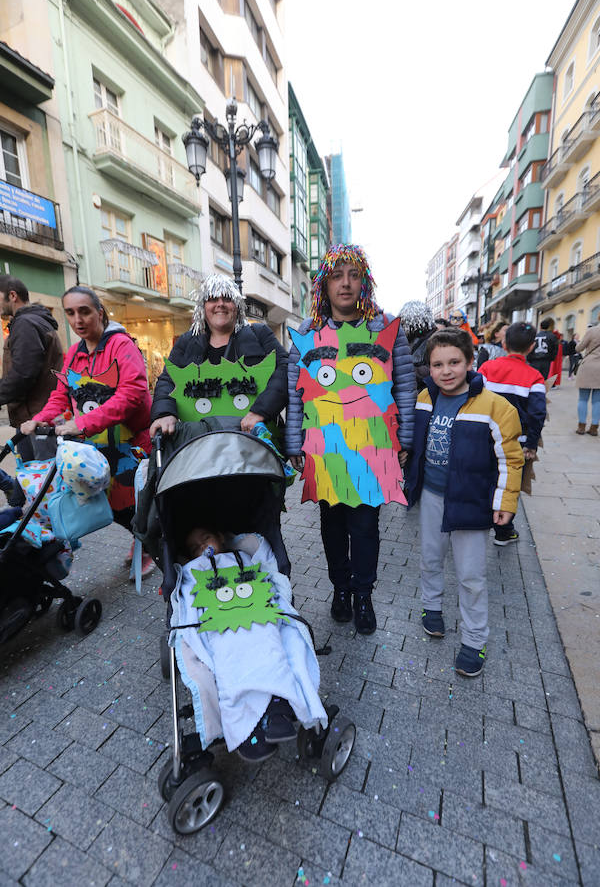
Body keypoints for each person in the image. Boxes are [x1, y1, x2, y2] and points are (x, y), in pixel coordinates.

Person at [286, 244, 416, 636]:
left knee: (365, 526)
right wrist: (295, 443)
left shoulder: (387, 328)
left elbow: (406, 386)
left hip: (373, 448)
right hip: (325, 449)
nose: (345, 283)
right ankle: (340, 590)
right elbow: (296, 393)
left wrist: (404, 437)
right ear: (323, 284)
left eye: (353, 275)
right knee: (331, 525)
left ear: (365, 282)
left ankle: (363, 594)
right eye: (337, 275)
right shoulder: (307, 334)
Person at [404, 328, 523, 677]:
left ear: (471, 362)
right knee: (430, 558)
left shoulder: (496, 407)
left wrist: (505, 501)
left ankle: (474, 640)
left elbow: (510, 460)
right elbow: (415, 441)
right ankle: (432, 608)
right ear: (429, 367)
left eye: (454, 362)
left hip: (470, 502)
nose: (446, 371)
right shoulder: (425, 397)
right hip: (431, 496)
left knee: (471, 576)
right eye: (437, 364)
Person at [20, 286, 154, 574]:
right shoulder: (73, 354)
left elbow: (132, 394)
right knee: (110, 502)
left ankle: (150, 545)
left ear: (100, 312)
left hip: (131, 442)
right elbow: (61, 395)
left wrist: (80, 423)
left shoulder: (121, 345)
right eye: (70, 312)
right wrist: (41, 418)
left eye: (84, 311)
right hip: (95, 445)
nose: (77, 319)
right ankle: (143, 540)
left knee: (130, 501)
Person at [172, 525, 327, 762]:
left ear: (221, 537)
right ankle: (246, 726)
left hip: (256, 612)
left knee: (270, 641)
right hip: (219, 622)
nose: (203, 547)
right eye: (195, 548)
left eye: (206, 538)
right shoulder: (193, 569)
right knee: (226, 657)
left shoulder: (243, 556)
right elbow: (188, 597)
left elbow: (267, 570)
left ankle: (278, 703)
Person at [150, 274, 288, 438]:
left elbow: (286, 370)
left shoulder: (259, 334)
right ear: (203, 306)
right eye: (213, 299)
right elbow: (167, 381)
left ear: (237, 305)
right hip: (202, 443)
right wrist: (164, 413)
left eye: (227, 298)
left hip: (254, 441)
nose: (220, 304)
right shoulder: (186, 342)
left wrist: (260, 412)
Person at [479, 322, 546, 545]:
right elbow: (538, 413)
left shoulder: (487, 368)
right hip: (518, 442)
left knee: (484, 477)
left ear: (504, 343)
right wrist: (533, 444)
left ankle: (478, 518)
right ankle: (503, 530)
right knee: (510, 483)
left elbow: (475, 399)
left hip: (486, 437)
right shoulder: (535, 377)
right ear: (532, 347)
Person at [0, 276, 63, 460]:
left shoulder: (26, 324)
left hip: (35, 419)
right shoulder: (36, 321)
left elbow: (23, 373)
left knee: (37, 482)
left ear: (12, 295)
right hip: (40, 417)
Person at [398, 300, 438, 391]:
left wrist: (402, 371)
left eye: (404, 321)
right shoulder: (406, 339)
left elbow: (432, 370)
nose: (402, 324)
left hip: (424, 393)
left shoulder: (434, 340)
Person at [574, 314, 600, 435]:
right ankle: (594, 428)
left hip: (588, 367)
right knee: (597, 401)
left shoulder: (592, 331)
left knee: (583, 399)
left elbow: (579, 348)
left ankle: (581, 427)